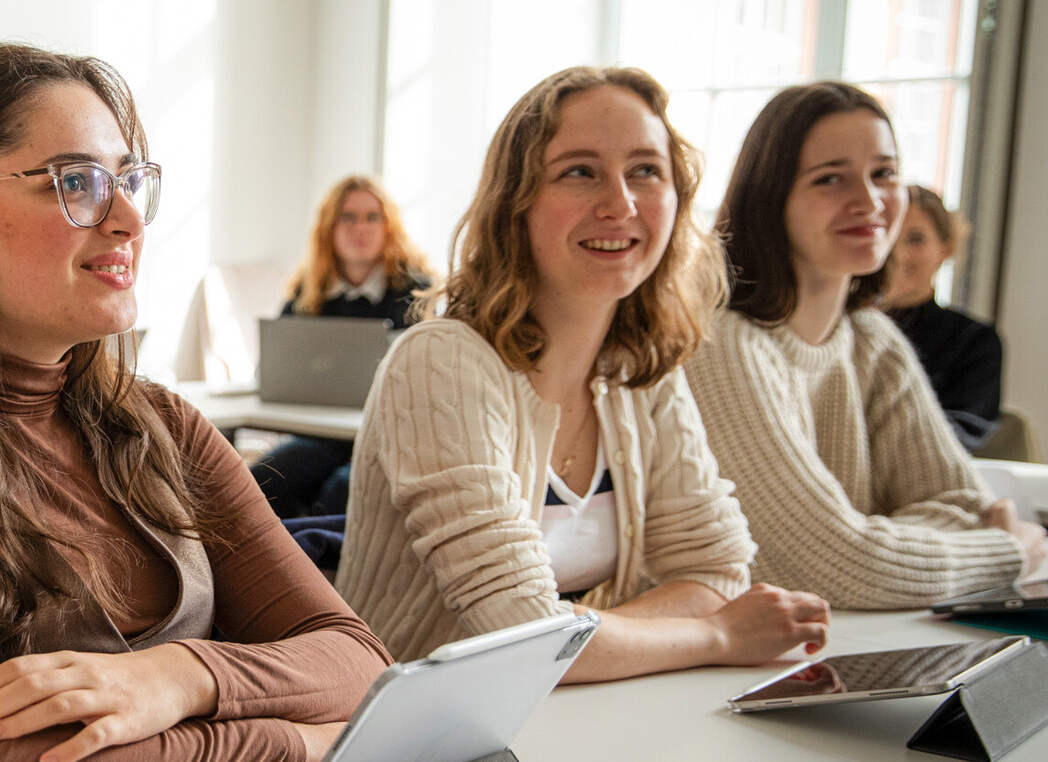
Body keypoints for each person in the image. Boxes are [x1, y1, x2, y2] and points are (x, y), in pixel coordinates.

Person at [0, 43, 391, 762]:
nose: (128, 217)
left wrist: (177, 676)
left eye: (130, 179)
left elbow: (358, 659)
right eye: (77, 181)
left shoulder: (164, 423)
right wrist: (294, 742)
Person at [336, 66, 830, 680]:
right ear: (515, 203)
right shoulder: (442, 362)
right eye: (580, 172)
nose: (620, 204)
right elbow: (521, 638)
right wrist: (713, 635)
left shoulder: (639, 369)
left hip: (577, 711)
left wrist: (583, 643)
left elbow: (715, 570)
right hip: (420, 737)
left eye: (646, 171)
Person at [686, 82, 1045, 609]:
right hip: (723, 668)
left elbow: (964, 506)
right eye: (830, 179)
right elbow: (833, 566)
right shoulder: (726, 343)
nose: (870, 201)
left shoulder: (874, 341)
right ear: (770, 197)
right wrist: (1007, 551)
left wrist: (872, 539)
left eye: (885, 174)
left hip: (851, 640)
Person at [253, 176, 435, 522]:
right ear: (329, 228)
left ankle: (321, 570)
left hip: (388, 439)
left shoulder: (417, 293)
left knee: (342, 489)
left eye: (372, 217)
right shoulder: (308, 292)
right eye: (347, 217)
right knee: (261, 481)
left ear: (389, 226)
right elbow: (274, 371)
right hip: (320, 436)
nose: (360, 229)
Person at [882, 184, 1003, 450]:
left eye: (915, 239)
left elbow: (963, 433)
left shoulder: (975, 342)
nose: (898, 254)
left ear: (944, 250)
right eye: (887, 237)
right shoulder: (840, 331)